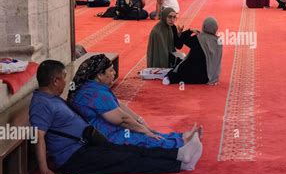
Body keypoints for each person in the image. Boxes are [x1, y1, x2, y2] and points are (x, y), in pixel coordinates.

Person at [30, 60, 203, 174]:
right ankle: (179, 163)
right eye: (63, 78)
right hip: (73, 157)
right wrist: (44, 170)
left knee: (132, 151)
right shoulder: (41, 104)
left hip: (85, 145)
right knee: (128, 160)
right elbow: (39, 137)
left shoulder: (51, 97)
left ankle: (180, 156)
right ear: (55, 81)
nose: (66, 82)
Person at [68, 54, 201, 150]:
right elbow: (122, 120)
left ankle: (180, 137)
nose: (114, 73)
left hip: (104, 129)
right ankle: (180, 144)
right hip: (104, 135)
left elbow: (118, 105)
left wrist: (140, 121)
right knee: (143, 138)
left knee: (148, 131)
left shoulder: (94, 87)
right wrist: (144, 130)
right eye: (110, 70)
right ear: (100, 75)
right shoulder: (95, 93)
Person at [163, 17, 223, 86]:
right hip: (208, 77)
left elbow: (183, 39)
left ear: (204, 26)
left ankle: (169, 79)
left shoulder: (199, 38)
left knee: (177, 69)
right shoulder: (218, 41)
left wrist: (190, 31)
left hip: (193, 75)